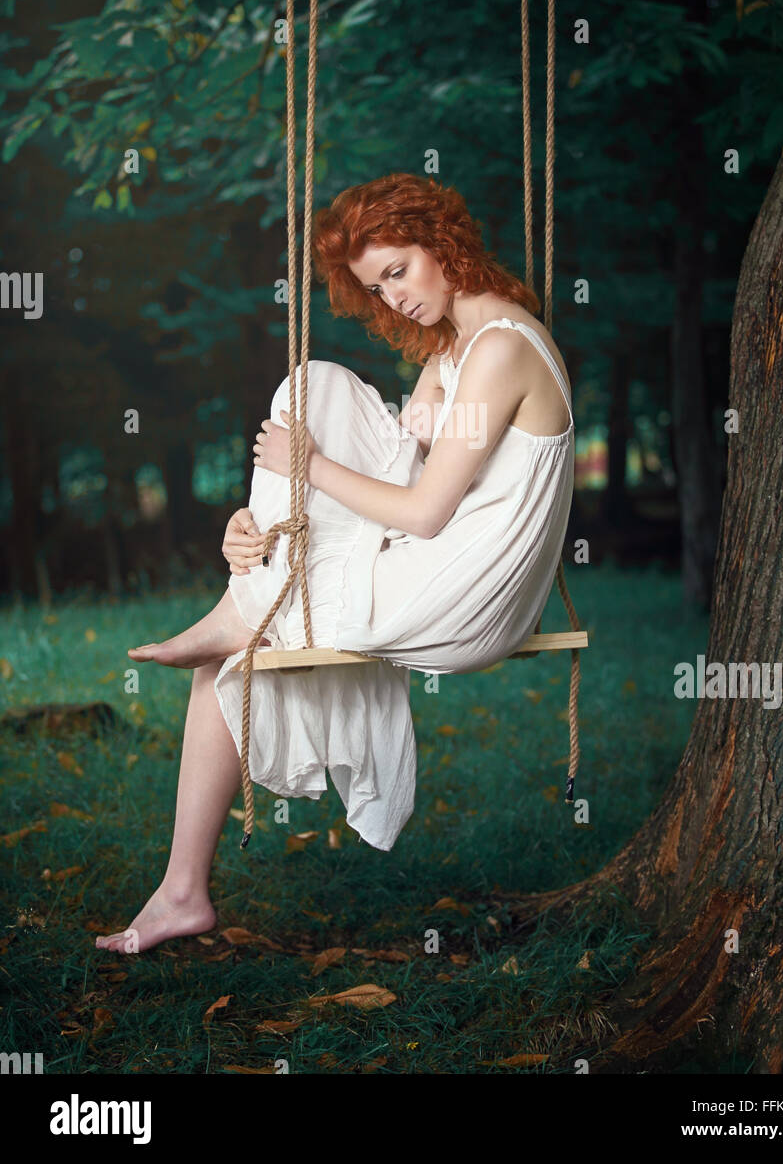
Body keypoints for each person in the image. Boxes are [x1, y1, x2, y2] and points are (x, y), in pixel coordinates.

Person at [96, 173, 574, 953]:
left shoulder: (502, 351)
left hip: (470, 594)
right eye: (375, 286)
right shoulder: (461, 345)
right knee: (313, 384)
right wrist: (270, 514)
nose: (394, 298)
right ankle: (243, 590)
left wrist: (306, 467)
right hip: (432, 562)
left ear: (443, 241)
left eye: (399, 269)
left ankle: (240, 610)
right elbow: (398, 462)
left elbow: (424, 510)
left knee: (232, 658)